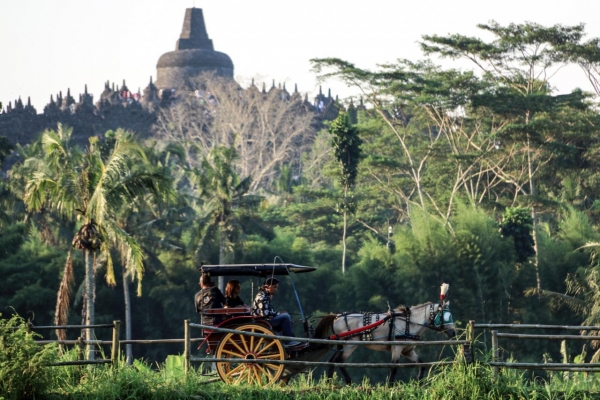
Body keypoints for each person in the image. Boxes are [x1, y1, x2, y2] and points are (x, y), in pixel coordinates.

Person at [252, 277, 301, 347]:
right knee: (286, 317)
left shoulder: (266, 296)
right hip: (264, 322)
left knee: (285, 315)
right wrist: (278, 313)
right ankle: (288, 341)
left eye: (276, 287)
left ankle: (290, 339)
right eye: (274, 287)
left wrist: (279, 313)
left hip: (266, 320)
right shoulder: (262, 297)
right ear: (267, 286)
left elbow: (269, 311)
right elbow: (265, 314)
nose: (276, 289)